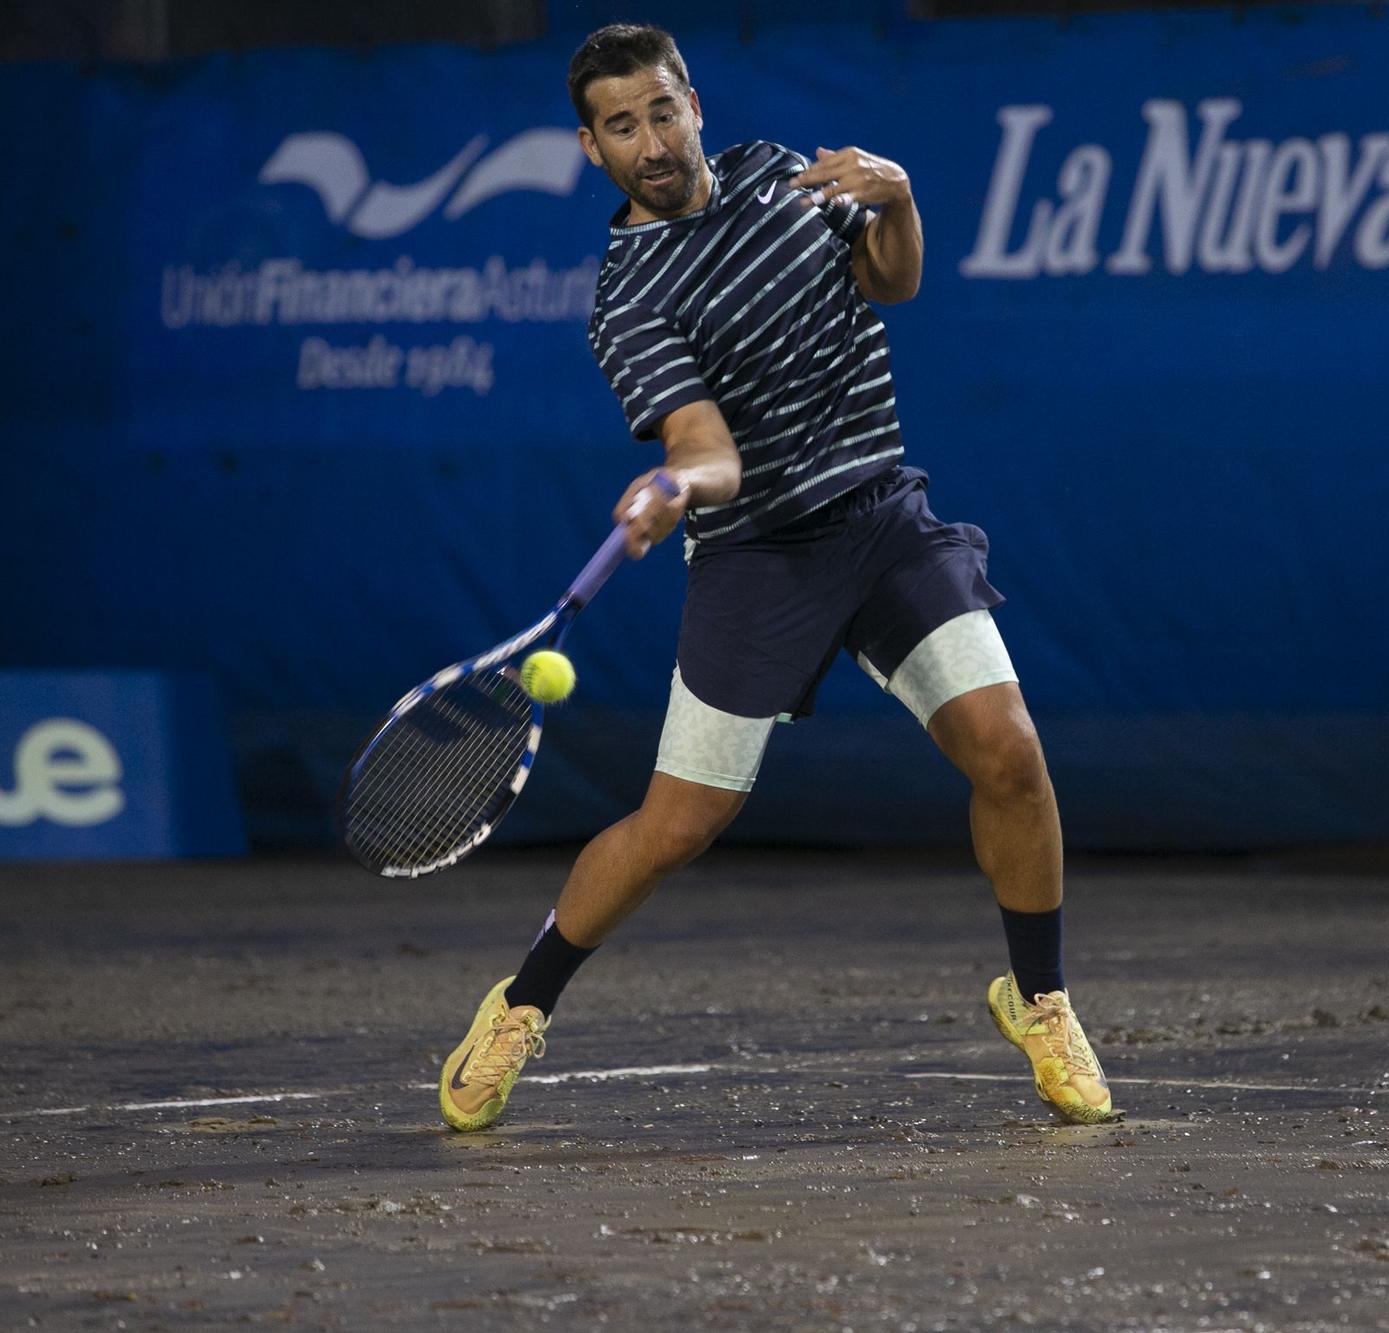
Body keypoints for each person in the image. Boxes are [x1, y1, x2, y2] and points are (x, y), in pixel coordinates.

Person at [439, 23, 1116, 1132]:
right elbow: (708, 448)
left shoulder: (781, 178)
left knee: (1010, 754)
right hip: (757, 556)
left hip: (882, 518)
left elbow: (889, 282)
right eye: (620, 126)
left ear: (692, 104)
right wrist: (676, 486)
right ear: (588, 149)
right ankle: (520, 1003)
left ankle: (1040, 999)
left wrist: (896, 198)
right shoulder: (626, 299)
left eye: (660, 112)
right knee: (677, 827)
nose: (649, 141)